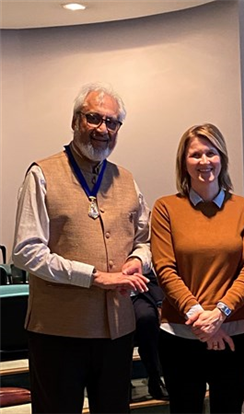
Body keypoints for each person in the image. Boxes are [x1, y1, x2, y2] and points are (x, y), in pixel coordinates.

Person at [12, 83, 151, 414]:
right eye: (94, 118)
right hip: (58, 333)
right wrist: (95, 278)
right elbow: (27, 250)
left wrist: (137, 261)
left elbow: (145, 240)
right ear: (76, 121)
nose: (103, 129)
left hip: (117, 332)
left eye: (112, 122)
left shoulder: (127, 179)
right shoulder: (41, 174)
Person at [150, 123, 244, 414]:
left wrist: (221, 313)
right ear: (183, 162)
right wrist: (201, 319)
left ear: (221, 158)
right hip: (180, 335)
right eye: (195, 155)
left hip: (235, 334)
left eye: (211, 153)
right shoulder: (165, 208)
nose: (204, 162)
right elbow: (164, 268)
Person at [131, 271, 168, 400]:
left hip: (137, 292)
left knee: (147, 318)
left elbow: (147, 271)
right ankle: (121, 381)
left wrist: (159, 302)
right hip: (101, 295)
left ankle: (154, 377)